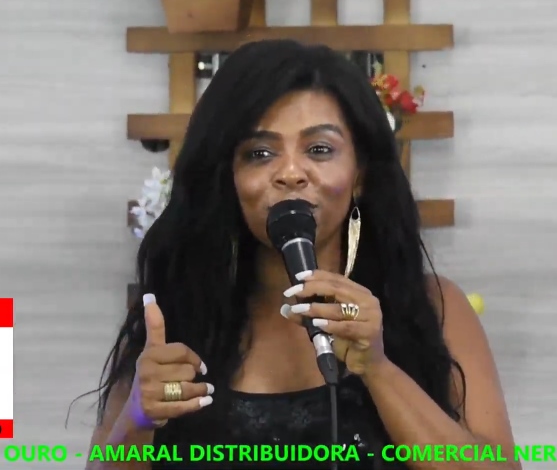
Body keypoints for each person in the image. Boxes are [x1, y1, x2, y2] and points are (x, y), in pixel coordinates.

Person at [85, 39, 519, 470]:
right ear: (228, 178)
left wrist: (378, 368)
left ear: (360, 174)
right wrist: (136, 420)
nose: (291, 173)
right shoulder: (177, 317)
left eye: (319, 150)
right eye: (260, 154)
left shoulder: (433, 306)